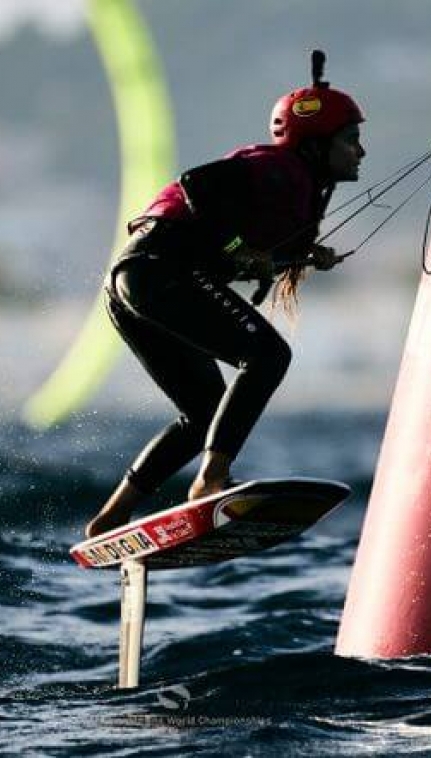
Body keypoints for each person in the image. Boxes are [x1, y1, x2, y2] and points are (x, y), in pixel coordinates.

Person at [85, 53, 365, 539]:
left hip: (132, 282)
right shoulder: (283, 170)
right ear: (317, 145)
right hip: (160, 271)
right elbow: (199, 185)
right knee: (268, 355)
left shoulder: (295, 187)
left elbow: (240, 241)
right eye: (351, 140)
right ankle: (210, 479)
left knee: (202, 413)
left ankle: (110, 516)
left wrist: (299, 257)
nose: (360, 152)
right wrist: (240, 247)